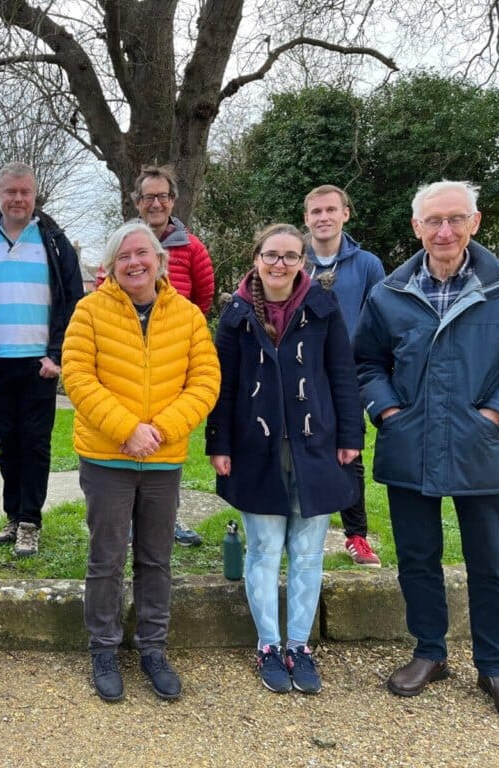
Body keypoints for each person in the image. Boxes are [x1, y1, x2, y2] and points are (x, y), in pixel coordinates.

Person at [354, 180, 499, 724]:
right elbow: (366, 362)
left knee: (490, 563)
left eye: (455, 219)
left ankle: (494, 666)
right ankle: (430, 651)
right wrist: (387, 411)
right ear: (416, 227)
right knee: (417, 557)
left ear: (475, 222)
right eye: (433, 221)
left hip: (479, 444)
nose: (444, 231)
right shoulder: (389, 292)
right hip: (410, 442)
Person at [62, 221, 219, 702]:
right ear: (111, 267)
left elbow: (205, 381)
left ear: (159, 260)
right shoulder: (89, 311)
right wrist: (127, 429)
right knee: (106, 558)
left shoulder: (187, 315)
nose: (134, 262)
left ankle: (153, 647)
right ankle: (104, 648)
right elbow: (78, 377)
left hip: (163, 459)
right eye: (123, 256)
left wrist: (160, 431)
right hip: (106, 456)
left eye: (142, 253)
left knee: (156, 558)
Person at [206, 223, 362, 695]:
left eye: (290, 256)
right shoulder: (236, 314)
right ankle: (268, 645)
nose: (280, 264)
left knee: (308, 552)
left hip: (315, 447)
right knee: (264, 549)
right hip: (256, 449)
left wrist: (350, 435)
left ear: (302, 261)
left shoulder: (321, 306)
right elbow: (223, 385)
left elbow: (342, 372)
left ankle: (299, 645)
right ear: (256, 258)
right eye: (271, 255)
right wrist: (219, 443)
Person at [0, 162, 83, 557]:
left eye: (24, 192)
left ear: (34, 194)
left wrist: (56, 354)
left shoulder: (54, 241)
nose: (18, 199)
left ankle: (30, 522)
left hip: (39, 364)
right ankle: (13, 516)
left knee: (35, 444)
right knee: (8, 444)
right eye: (10, 192)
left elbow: (73, 301)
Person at [95, 164, 215, 546]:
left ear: (173, 200)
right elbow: (102, 294)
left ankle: (168, 520)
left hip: (171, 355)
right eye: (148, 197)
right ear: (137, 202)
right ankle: (126, 520)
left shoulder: (192, 248)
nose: (156, 203)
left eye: (163, 196)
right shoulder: (122, 245)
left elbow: (203, 297)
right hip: (125, 357)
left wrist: (176, 333)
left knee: (165, 453)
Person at [303, 185, 385, 567]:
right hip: (299, 372)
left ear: (345, 214)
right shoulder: (292, 258)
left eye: (330, 210)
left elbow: (379, 320)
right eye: (316, 211)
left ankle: (356, 536)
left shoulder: (367, 265)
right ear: (306, 218)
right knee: (298, 449)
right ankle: (299, 530)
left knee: (349, 453)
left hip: (346, 375)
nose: (324, 217)